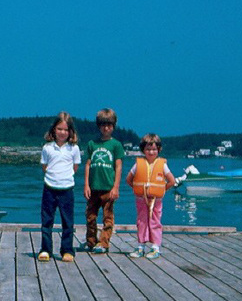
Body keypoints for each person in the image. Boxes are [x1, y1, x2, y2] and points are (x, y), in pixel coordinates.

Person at [38, 112, 81, 262]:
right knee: (47, 220)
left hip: (67, 189)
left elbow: (75, 167)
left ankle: (67, 250)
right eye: (59, 129)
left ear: (70, 132)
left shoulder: (74, 148)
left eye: (65, 129)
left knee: (67, 222)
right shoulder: (47, 148)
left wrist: (64, 178)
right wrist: (53, 177)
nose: (62, 132)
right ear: (53, 130)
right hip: (49, 188)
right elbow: (44, 166)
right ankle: (45, 249)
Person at [125, 133, 175, 259]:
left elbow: (172, 181)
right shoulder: (137, 164)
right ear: (143, 150)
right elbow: (128, 179)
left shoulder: (163, 165)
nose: (151, 152)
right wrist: (138, 190)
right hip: (141, 199)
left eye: (154, 149)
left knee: (155, 222)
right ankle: (140, 247)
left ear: (158, 149)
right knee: (141, 222)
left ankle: (155, 248)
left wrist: (161, 190)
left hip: (156, 200)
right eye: (148, 149)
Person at [83, 108, 125, 254]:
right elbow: (87, 165)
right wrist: (86, 185)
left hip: (108, 188)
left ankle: (104, 242)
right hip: (93, 188)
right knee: (90, 216)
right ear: (98, 126)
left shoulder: (116, 145)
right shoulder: (92, 144)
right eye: (103, 125)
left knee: (108, 217)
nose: (106, 128)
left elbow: (118, 167)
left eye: (109, 125)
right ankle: (91, 241)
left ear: (113, 126)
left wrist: (116, 187)